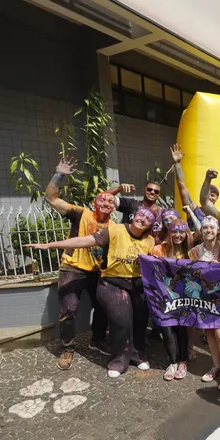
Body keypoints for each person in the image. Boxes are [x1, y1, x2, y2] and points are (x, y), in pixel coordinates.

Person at [25, 207, 156, 377]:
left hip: (136, 285)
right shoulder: (115, 230)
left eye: (148, 218)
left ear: (150, 225)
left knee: (139, 322)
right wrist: (49, 245)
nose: (143, 219)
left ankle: (136, 354)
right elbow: (84, 241)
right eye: (141, 215)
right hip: (112, 284)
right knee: (121, 321)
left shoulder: (150, 241)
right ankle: (118, 360)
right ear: (134, 216)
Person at [42, 156, 114, 367]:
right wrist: (59, 175)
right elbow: (51, 198)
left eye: (111, 201)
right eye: (103, 199)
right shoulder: (81, 214)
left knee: (104, 306)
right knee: (69, 310)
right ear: (95, 203)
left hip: (98, 271)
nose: (107, 203)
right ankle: (67, 348)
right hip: (72, 268)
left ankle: (98, 341)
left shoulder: (114, 226)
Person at [189, 215, 220, 390]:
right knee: (209, 334)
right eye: (205, 227)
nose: (208, 230)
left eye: (212, 228)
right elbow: (190, 273)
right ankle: (215, 366)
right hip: (204, 297)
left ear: (217, 231)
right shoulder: (194, 251)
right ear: (201, 230)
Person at [151, 218, 194, 381]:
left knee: (181, 329)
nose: (177, 235)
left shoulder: (191, 251)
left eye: (181, 231)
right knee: (166, 329)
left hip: (183, 297)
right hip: (163, 296)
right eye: (174, 231)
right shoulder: (158, 249)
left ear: (186, 233)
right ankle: (173, 362)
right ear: (169, 232)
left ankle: (183, 362)